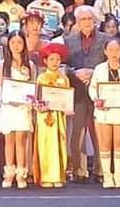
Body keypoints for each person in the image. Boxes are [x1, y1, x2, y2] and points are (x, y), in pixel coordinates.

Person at [64, 5, 110, 181]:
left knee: (99, 131)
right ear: (77, 22)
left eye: (90, 19)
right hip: (77, 90)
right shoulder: (69, 40)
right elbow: (62, 65)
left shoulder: (106, 39)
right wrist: (75, 72)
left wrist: (94, 73)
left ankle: (101, 170)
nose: (87, 22)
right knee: (78, 131)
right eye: (83, 19)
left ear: (95, 20)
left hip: (99, 91)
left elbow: (114, 62)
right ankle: (79, 171)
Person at [89, 37, 120, 188]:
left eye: (117, 50)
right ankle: (107, 175)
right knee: (105, 142)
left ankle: (118, 175)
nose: (114, 53)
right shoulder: (99, 69)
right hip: (103, 110)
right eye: (110, 50)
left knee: (119, 141)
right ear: (105, 51)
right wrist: (96, 99)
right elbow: (92, 87)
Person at [0, 32, 35, 188]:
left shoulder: (30, 65)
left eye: (19, 42)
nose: (16, 46)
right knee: (9, 141)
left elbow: (33, 87)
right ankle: (9, 174)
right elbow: (0, 87)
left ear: (24, 44)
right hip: (8, 107)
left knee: (21, 140)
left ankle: (21, 174)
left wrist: (28, 102)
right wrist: (6, 99)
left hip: (23, 107)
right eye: (13, 43)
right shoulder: (3, 64)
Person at [34, 42, 71, 188]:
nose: (55, 62)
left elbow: (67, 98)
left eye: (57, 59)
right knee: (46, 143)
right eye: (51, 59)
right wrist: (40, 105)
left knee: (59, 142)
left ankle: (59, 176)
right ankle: (46, 176)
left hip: (59, 115)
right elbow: (37, 98)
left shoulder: (64, 79)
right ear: (45, 61)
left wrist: (67, 107)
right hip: (45, 115)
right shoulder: (41, 78)